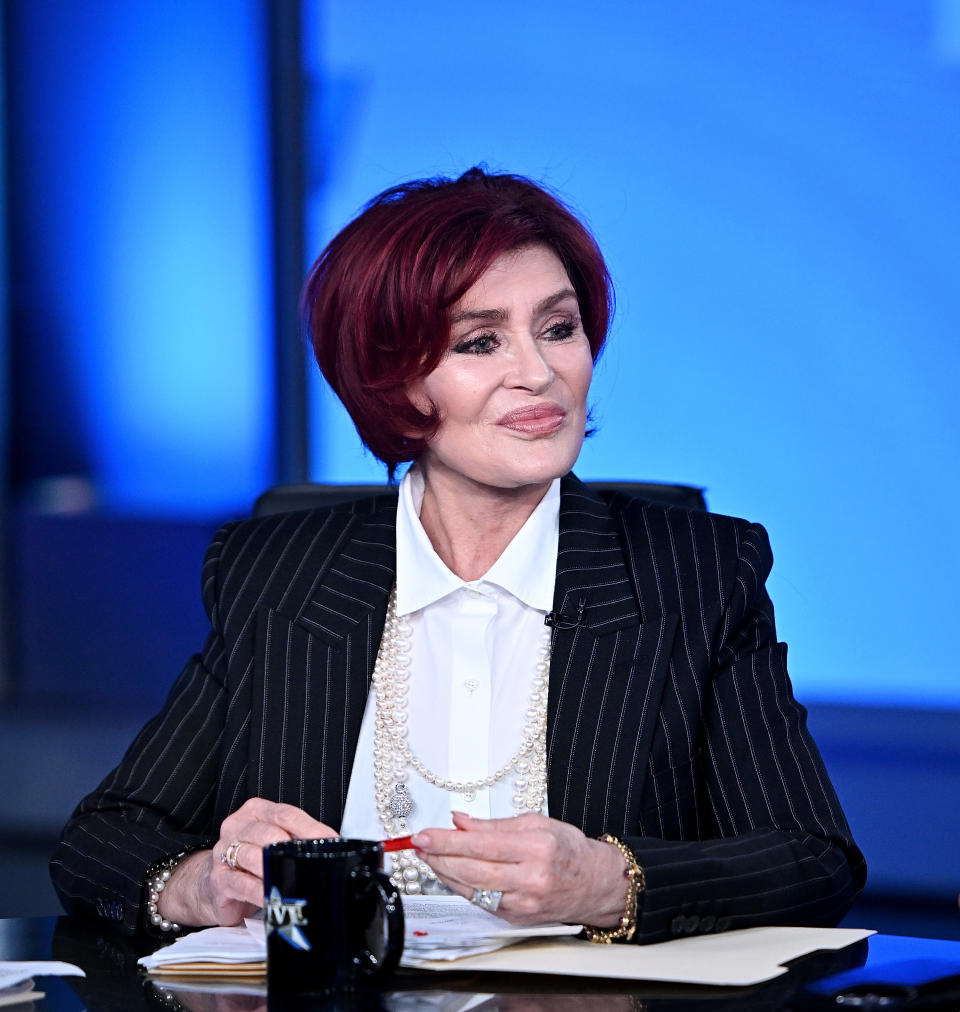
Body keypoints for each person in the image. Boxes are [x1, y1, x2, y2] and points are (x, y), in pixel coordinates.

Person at [51, 166, 866, 943]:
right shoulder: (278, 575)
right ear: (394, 382)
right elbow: (102, 842)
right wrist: (201, 880)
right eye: (481, 342)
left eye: (559, 328)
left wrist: (608, 881)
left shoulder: (695, 571)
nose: (541, 373)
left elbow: (812, 858)